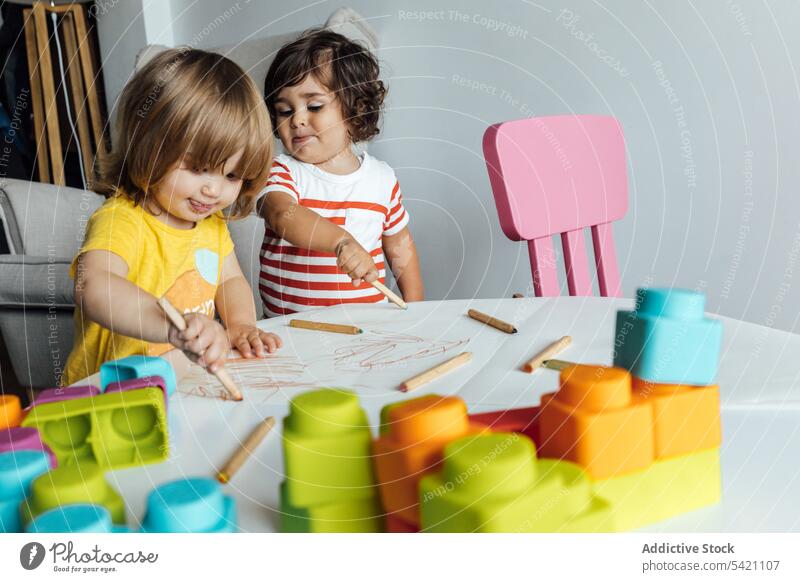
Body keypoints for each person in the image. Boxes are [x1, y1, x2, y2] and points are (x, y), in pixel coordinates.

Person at [63, 48, 282, 386]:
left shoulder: (213, 226)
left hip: (180, 382)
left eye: (232, 176)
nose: (213, 190)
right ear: (148, 146)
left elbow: (230, 281)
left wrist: (240, 325)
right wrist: (171, 325)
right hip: (109, 393)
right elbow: (94, 287)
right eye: (199, 168)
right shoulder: (122, 219)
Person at [258, 29, 424, 316]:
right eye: (285, 111)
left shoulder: (382, 180)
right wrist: (340, 241)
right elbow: (281, 214)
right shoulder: (281, 171)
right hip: (290, 330)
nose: (297, 119)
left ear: (355, 109)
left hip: (368, 325)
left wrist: (418, 307)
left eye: (314, 106)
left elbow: (399, 245)